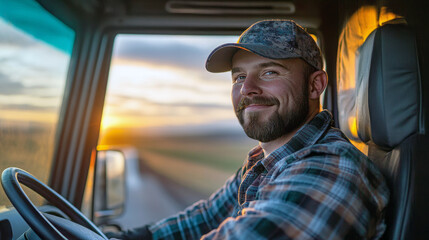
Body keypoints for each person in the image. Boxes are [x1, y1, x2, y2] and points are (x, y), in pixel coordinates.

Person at [106, 19, 389, 240]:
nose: (248, 89)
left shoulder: (332, 170)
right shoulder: (266, 159)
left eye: (269, 72)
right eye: (239, 76)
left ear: (315, 85)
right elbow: (207, 217)